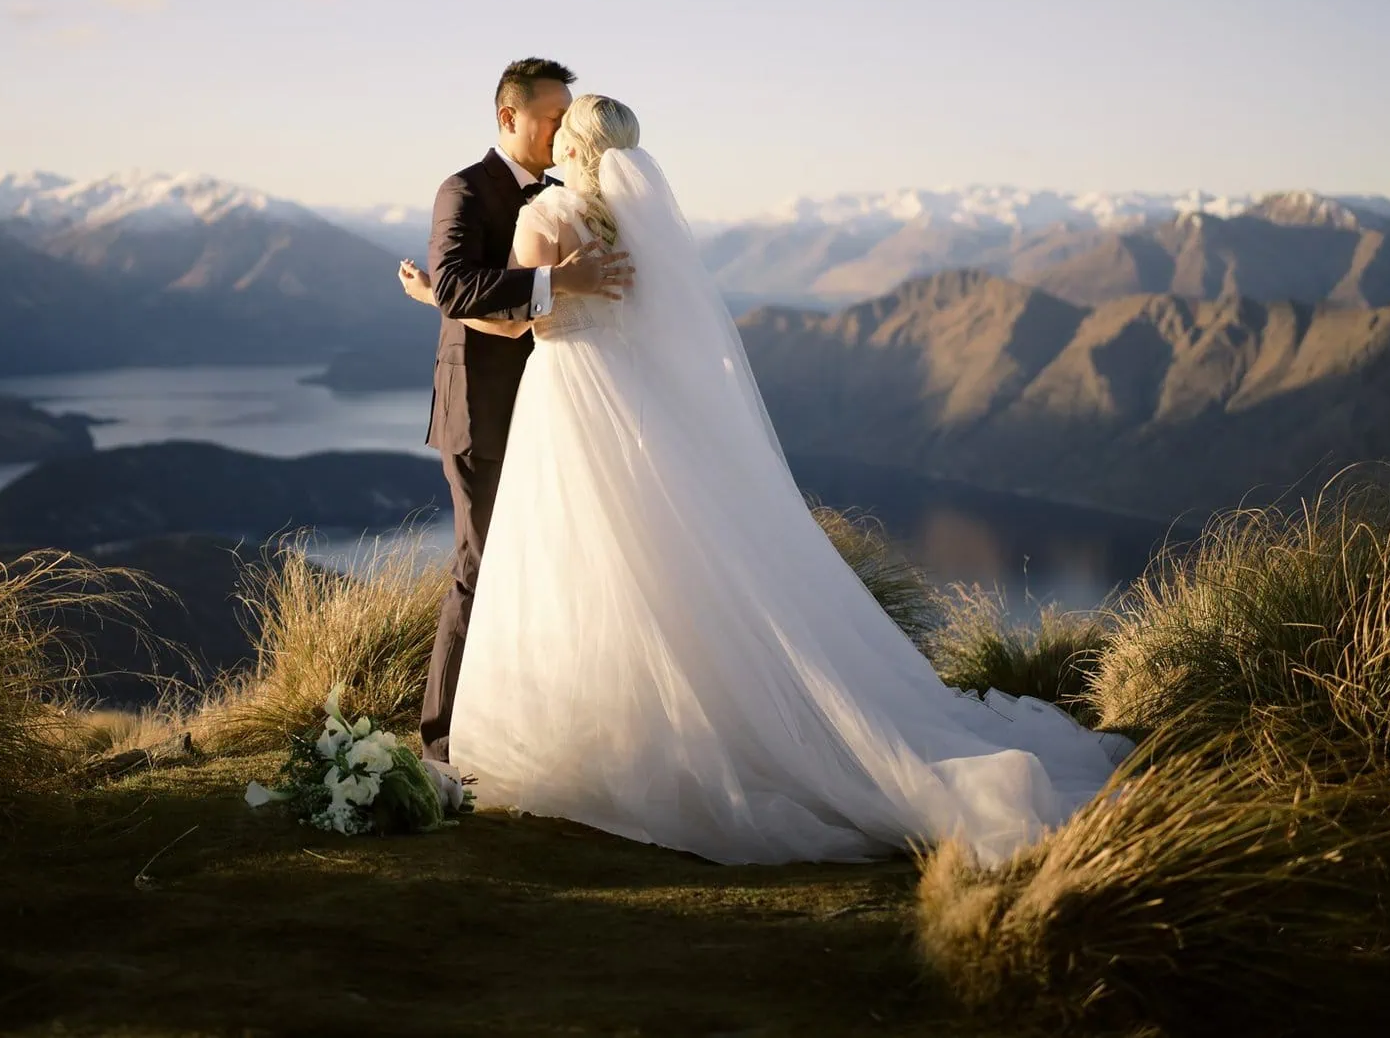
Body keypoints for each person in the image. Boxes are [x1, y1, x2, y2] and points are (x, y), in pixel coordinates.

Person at [409, 93, 1133, 866]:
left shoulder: (545, 217)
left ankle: (612, 730)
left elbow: (521, 318)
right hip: (639, 407)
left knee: (578, 562)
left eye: (561, 128)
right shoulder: (648, 227)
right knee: (655, 560)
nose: (547, 137)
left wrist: (433, 297)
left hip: (573, 398)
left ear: (574, 144)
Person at [399, 58, 632, 764]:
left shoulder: (564, 198)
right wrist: (557, 283)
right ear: (509, 117)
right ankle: (441, 741)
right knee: (479, 564)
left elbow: (454, 291)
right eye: (551, 116)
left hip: (555, 408)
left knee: (544, 562)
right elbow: (461, 286)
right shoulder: (465, 189)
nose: (562, 130)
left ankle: (526, 718)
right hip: (482, 402)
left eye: (568, 118)